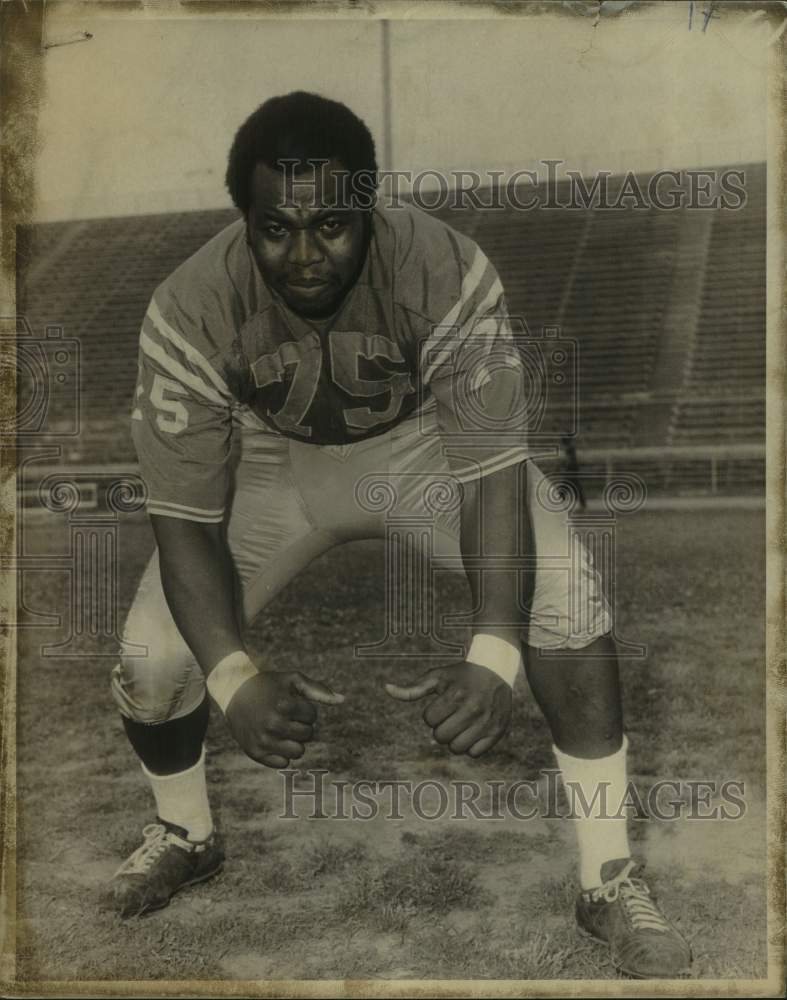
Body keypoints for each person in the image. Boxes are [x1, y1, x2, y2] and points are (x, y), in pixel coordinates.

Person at [109, 91, 691, 979]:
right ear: (243, 219)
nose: (304, 255)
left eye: (332, 224)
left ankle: (606, 875)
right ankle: (185, 831)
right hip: (270, 463)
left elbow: (492, 474)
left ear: (372, 204)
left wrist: (492, 654)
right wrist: (233, 681)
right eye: (275, 228)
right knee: (153, 658)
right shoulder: (189, 307)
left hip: (423, 449)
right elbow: (183, 520)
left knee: (567, 602)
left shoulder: (442, 269)